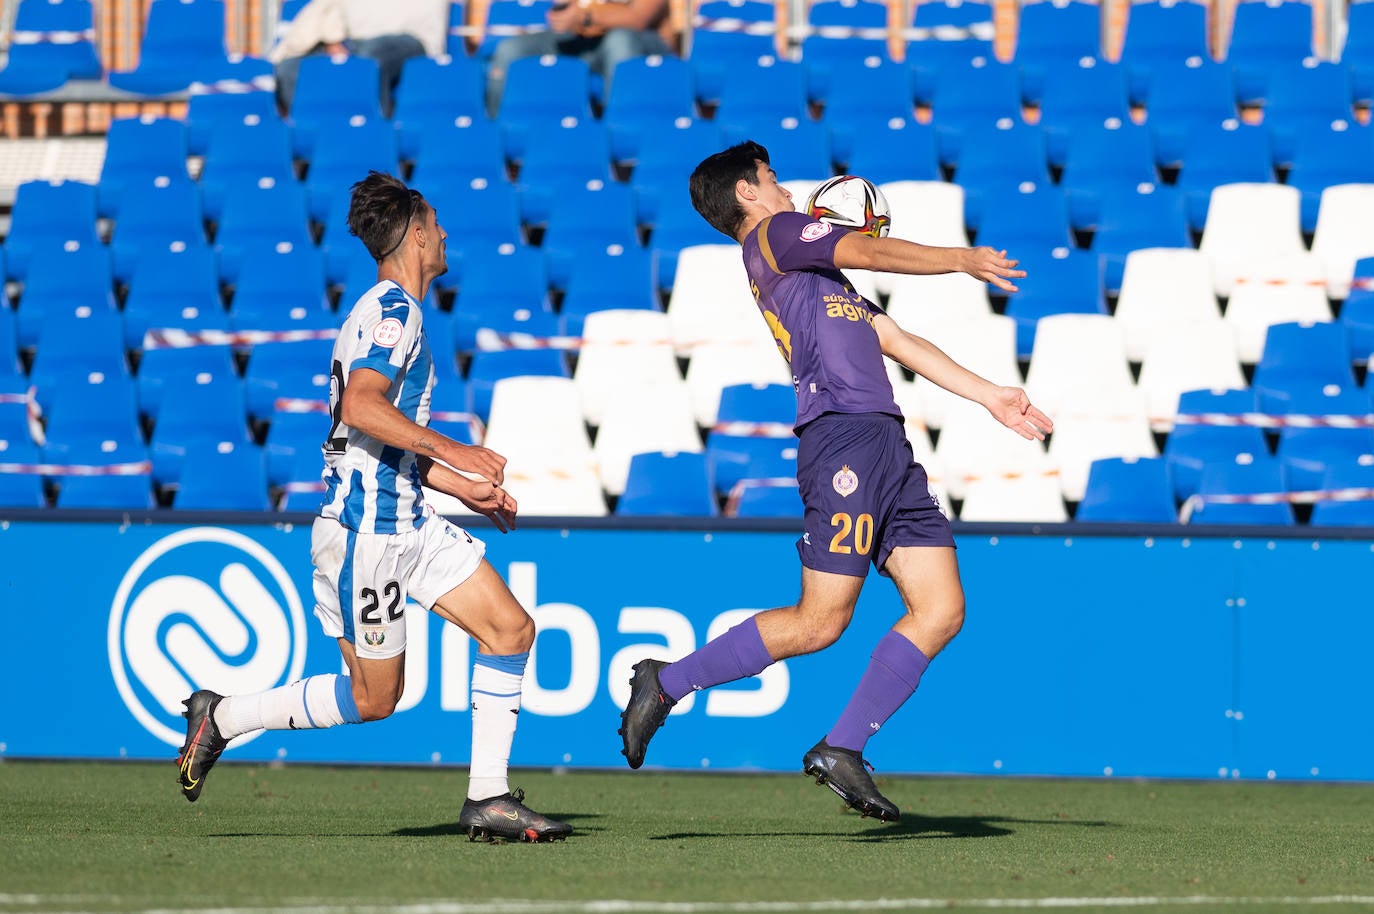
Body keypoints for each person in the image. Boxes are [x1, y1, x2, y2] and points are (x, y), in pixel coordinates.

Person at [617, 142, 1054, 823]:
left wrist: (990, 395)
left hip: (889, 446)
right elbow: (873, 252)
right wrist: (960, 259)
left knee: (940, 609)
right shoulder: (775, 233)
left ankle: (843, 747)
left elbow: (901, 341)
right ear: (746, 193)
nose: (787, 188)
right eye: (772, 178)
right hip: (841, 439)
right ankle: (666, 682)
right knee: (821, 621)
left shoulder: (823, 278)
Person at [176, 170, 573, 844]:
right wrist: (459, 452)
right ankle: (225, 718)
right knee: (375, 700)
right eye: (437, 223)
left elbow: (369, 434)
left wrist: (456, 485)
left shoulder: (386, 311)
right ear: (416, 234)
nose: (445, 234)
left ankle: (490, 798)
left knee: (510, 629)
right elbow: (361, 406)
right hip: (368, 535)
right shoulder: (396, 313)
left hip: (404, 519)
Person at [484, 0, 675, 115]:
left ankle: (617, 130)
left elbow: (638, 19)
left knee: (620, 41)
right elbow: (563, 11)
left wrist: (586, 16)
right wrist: (566, 14)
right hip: (581, 39)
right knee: (509, 49)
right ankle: (494, 133)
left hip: (642, 43)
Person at [270, 0, 449, 117]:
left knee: (368, 60)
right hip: (353, 42)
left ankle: (374, 127)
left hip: (410, 39)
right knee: (289, 68)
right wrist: (334, 39)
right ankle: (310, 127)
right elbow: (329, 9)